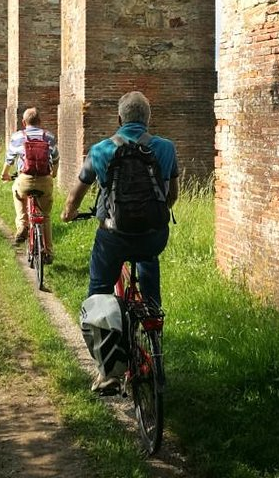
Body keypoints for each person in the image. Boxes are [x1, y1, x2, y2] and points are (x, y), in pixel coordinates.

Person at [61, 91, 178, 388]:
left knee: (99, 291)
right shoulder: (165, 148)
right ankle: (154, 328)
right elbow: (172, 196)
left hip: (114, 237)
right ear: (148, 120)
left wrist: (69, 213)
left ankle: (108, 370)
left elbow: (76, 194)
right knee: (148, 263)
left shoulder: (100, 150)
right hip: (153, 236)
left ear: (119, 119)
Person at [1, 107, 59, 264]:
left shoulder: (18, 137)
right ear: (40, 122)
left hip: (24, 179)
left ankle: (22, 224)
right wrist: (53, 173)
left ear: (23, 122)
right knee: (45, 216)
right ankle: (47, 252)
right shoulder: (49, 137)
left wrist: (4, 174)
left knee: (16, 192)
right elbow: (55, 159)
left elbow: (9, 160)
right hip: (44, 180)